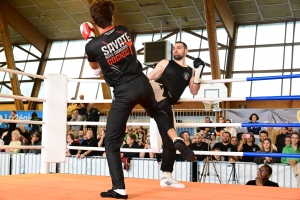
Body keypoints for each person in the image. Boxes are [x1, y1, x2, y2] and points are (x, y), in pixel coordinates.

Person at [81, 0, 195, 198]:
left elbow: (95, 67)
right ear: (113, 16)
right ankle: (174, 136)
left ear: (93, 19)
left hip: (124, 92)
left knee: (111, 141)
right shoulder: (124, 31)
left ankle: (119, 188)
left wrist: (89, 37)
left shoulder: (92, 46)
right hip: (142, 83)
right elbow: (115, 49)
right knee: (156, 112)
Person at [146, 40, 204, 188]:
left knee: (169, 140)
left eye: (179, 48)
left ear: (186, 51)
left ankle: (166, 176)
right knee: (153, 88)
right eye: (174, 48)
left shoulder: (190, 71)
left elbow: (194, 91)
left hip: (164, 104)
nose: (175, 50)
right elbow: (150, 77)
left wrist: (198, 71)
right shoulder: (165, 63)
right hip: (155, 91)